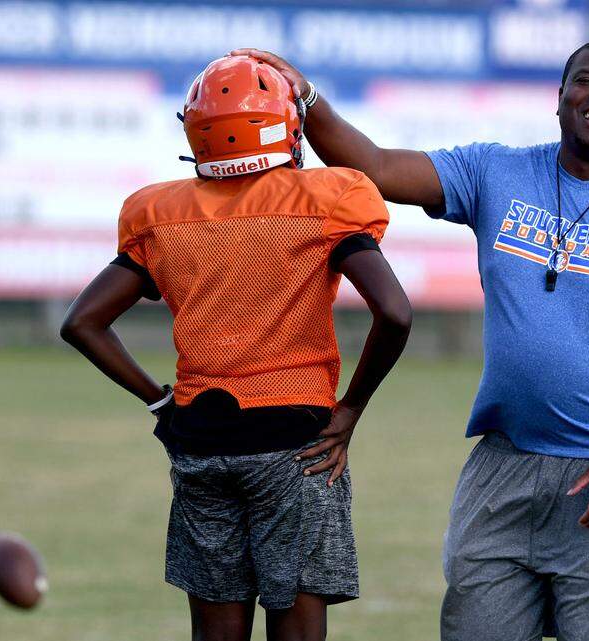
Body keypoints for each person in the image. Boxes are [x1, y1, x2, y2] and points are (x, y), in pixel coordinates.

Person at [233, 40, 589, 641]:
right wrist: (308, 102)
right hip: (504, 466)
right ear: (560, 98)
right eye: (586, 80)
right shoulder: (498, 172)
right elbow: (377, 168)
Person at [60, 55, 412, 641]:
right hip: (296, 440)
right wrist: (351, 408)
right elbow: (395, 313)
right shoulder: (328, 197)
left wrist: (158, 402)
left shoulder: (159, 213)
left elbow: (83, 323)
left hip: (200, 438)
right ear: (286, 126)